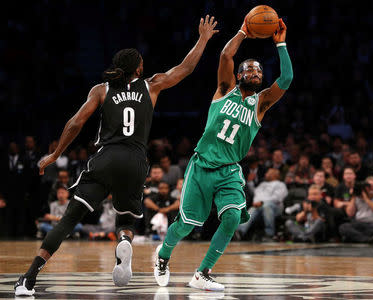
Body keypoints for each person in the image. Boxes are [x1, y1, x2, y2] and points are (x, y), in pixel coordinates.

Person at [14, 16, 219, 296]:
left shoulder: (101, 90)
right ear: (138, 67)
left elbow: (75, 123)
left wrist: (55, 153)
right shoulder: (152, 85)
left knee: (69, 219)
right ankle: (124, 240)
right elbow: (185, 69)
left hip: (106, 157)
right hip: (135, 162)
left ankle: (28, 279)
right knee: (126, 219)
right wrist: (203, 39)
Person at [154, 17, 293, 291]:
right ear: (239, 75)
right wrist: (243, 29)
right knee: (185, 225)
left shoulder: (261, 103)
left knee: (232, 217)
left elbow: (286, 78)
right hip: (202, 166)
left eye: (259, 72)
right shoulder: (224, 90)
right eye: (250, 71)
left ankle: (202, 273)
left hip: (229, 170)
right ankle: (162, 257)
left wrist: (281, 44)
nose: (256, 74)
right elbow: (226, 54)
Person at [236, 168, 288, 241]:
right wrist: (250, 182)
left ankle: (269, 234)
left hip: (275, 207)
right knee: (253, 208)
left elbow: (278, 198)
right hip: (260, 207)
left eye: (268, 173)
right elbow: (256, 194)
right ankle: (240, 231)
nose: (265, 174)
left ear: (274, 175)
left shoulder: (280, 184)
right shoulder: (263, 184)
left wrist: (262, 202)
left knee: (267, 205)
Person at [339, 176, 373, 243]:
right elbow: (349, 213)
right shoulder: (357, 198)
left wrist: (366, 199)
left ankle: (357, 237)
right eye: (369, 186)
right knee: (343, 227)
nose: (371, 188)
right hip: (359, 223)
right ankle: (366, 239)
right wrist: (353, 196)